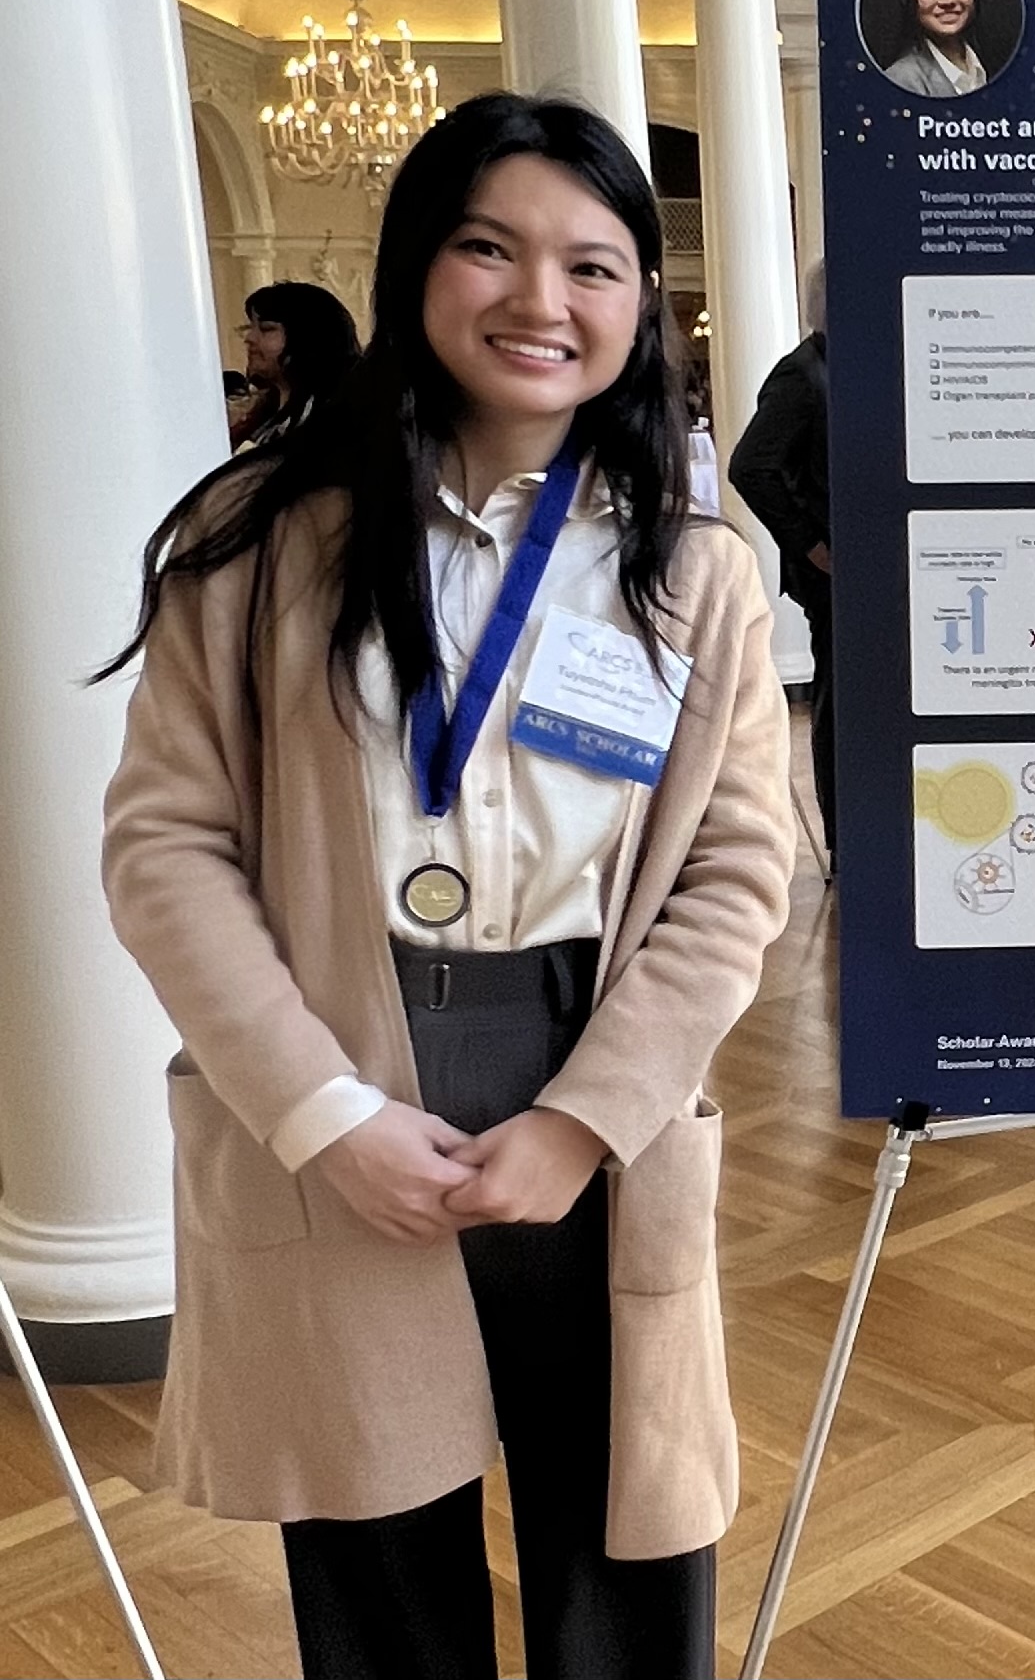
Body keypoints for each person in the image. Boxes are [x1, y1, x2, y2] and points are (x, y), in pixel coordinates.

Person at [101, 92, 795, 1680]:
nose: (540, 299)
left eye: (592, 265)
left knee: (622, 1535)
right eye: (490, 247)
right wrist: (320, 1111)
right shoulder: (258, 540)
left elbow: (734, 868)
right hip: (339, 1058)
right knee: (374, 1539)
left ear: (639, 300)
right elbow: (164, 843)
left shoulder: (691, 569)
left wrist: (586, 1117)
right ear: (418, 262)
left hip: (589, 1067)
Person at [727, 260, 835, 866]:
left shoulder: (841, 366)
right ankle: (842, 841)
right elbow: (751, 467)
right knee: (836, 707)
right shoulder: (802, 373)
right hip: (831, 576)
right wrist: (812, 545)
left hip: (858, 572)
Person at [233, 279, 362, 449]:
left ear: (306, 339)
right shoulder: (260, 417)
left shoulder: (335, 421)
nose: (249, 338)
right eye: (250, 328)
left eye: (266, 329)